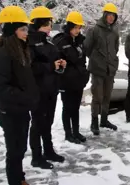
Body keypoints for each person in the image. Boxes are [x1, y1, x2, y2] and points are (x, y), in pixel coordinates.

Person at [0, 6, 39, 185]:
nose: (27, 32)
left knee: (20, 148)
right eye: (23, 29)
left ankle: (20, 178)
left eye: (26, 28)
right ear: (12, 31)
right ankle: (15, 180)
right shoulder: (1, 54)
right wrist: (25, 96)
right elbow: (0, 88)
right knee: (14, 150)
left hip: (21, 109)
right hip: (9, 112)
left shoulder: (20, 50)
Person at [28, 6, 65, 169]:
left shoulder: (48, 43)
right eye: (48, 24)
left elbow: (56, 61)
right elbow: (31, 68)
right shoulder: (28, 44)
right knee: (37, 124)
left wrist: (61, 65)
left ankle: (48, 151)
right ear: (38, 24)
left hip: (51, 89)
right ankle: (36, 156)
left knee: (47, 122)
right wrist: (51, 65)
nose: (50, 27)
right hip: (37, 91)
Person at [52, 11, 89, 143]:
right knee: (67, 107)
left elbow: (83, 59)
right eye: (75, 27)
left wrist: (85, 75)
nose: (77, 30)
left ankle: (76, 131)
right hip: (66, 81)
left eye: (79, 27)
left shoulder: (81, 41)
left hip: (78, 80)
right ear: (69, 26)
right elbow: (56, 62)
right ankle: (68, 133)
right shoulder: (60, 41)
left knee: (76, 107)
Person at [84, 3, 119, 135]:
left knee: (107, 96)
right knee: (97, 97)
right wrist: (96, 59)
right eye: (109, 15)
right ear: (104, 15)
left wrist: (113, 62)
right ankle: (94, 122)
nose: (111, 18)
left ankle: (104, 120)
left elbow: (115, 49)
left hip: (110, 69)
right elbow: (87, 48)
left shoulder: (114, 32)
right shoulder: (94, 30)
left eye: (113, 16)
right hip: (98, 69)